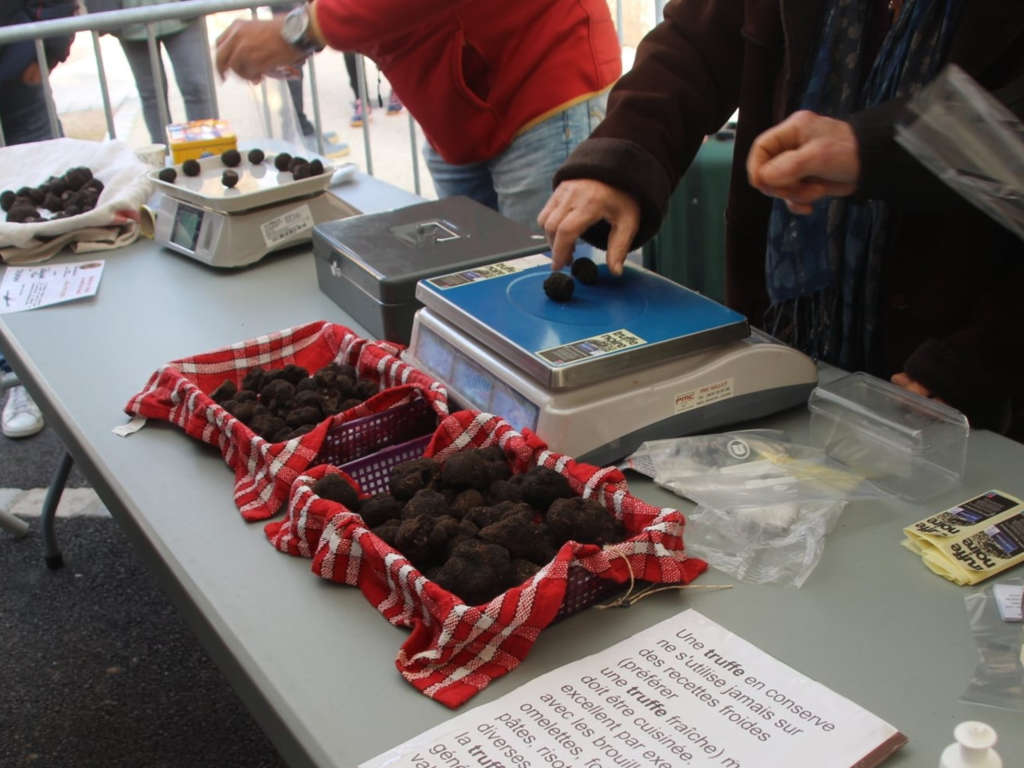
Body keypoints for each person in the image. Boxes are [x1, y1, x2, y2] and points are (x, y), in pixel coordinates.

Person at [539, 0, 1024, 436]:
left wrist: (983, 358)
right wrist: (622, 158)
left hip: (968, 355)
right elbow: (696, 43)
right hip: (791, 333)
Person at [213, 0, 619, 229]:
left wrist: (304, 29)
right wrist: (308, 34)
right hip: (455, 105)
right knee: (478, 289)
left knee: (547, 296)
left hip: (541, 85)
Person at [0, 0, 77, 438]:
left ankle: (45, 372)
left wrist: (50, 44)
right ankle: (21, 374)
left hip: (19, 66)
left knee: (50, 231)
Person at [86, 0, 216, 145]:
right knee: (152, 95)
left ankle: (206, 152)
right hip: (131, 20)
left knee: (196, 86)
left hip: (182, 13)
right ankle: (163, 156)